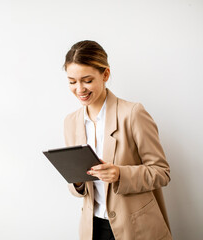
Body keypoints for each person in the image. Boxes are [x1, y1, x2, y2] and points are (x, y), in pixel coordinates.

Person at [63, 40, 172, 240]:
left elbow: (161, 172)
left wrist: (120, 174)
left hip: (136, 228)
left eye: (87, 80)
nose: (79, 89)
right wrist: (77, 181)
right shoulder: (71, 122)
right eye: (72, 81)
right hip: (93, 229)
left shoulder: (132, 113)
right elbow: (77, 188)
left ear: (105, 74)